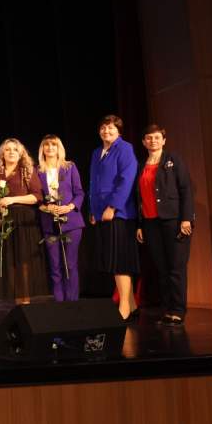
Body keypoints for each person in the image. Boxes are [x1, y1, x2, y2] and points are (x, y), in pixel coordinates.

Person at [136, 124, 194, 326]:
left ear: (163, 140)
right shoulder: (141, 165)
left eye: (157, 137)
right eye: (149, 138)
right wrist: (140, 224)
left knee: (176, 267)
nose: (153, 141)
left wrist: (186, 218)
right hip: (150, 222)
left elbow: (186, 189)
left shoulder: (173, 160)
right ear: (144, 142)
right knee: (162, 269)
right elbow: (138, 198)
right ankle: (167, 310)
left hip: (174, 220)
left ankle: (178, 310)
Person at [89, 114, 140, 321]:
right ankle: (133, 306)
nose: (106, 131)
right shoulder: (97, 152)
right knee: (112, 259)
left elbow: (126, 180)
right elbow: (93, 183)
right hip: (101, 213)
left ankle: (125, 306)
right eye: (103, 128)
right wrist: (93, 211)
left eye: (111, 128)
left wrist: (113, 207)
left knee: (120, 260)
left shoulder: (125, 148)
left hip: (119, 213)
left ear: (118, 131)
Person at [0, 139, 49, 304]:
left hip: (24, 220)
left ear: (21, 153)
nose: (11, 152)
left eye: (15, 150)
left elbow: (37, 197)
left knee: (24, 261)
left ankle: (25, 302)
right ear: (2, 154)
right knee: (10, 262)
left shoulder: (27, 171)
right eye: (7, 149)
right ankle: (16, 303)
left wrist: (12, 199)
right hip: (6, 221)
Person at [36, 135, 85, 302]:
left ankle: (72, 303)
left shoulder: (69, 167)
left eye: (54, 145)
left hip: (72, 223)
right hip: (49, 224)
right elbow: (37, 198)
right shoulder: (37, 171)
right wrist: (46, 207)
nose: (50, 148)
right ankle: (59, 303)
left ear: (59, 148)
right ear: (42, 149)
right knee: (55, 266)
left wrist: (69, 207)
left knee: (70, 265)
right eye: (46, 145)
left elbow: (79, 193)